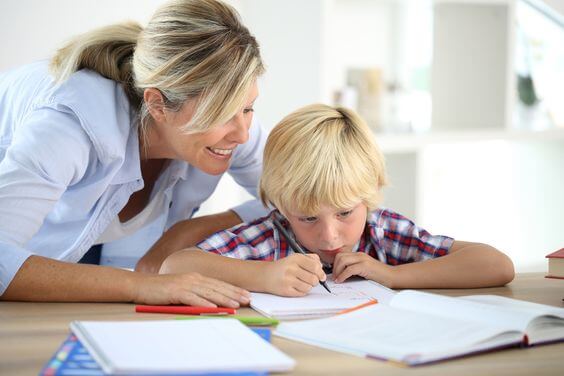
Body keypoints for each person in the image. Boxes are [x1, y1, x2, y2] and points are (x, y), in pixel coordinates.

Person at [0, 0, 268, 307]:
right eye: (221, 114)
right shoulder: (69, 126)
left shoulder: (233, 125)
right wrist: (142, 286)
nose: (243, 134)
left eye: (248, 108)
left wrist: (191, 229)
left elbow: (298, 199)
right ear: (157, 105)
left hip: (86, 232)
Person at [159, 104, 515, 297]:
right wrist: (263, 275)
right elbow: (174, 266)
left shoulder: (383, 231)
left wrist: (392, 275)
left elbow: (496, 265)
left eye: (345, 212)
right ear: (281, 207)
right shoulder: (269, 238)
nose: (329, 236)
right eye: (308, 218)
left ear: (369, 193)